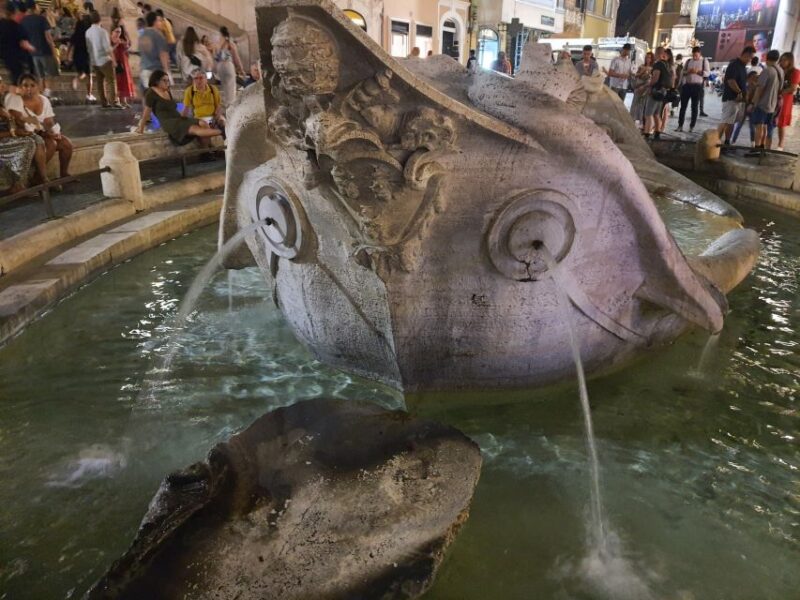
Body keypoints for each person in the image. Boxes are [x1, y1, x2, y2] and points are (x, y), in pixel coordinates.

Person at [136, 69, 223, 145]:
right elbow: (146, 112)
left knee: (203, 123)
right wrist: (141, 128)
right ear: (157, 81)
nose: (167, 83)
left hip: (178, 118)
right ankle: (223, 132)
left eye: (168, 80)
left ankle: (208, 148)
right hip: (169, 122)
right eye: (164, 80)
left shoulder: (167, 91)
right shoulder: (151, 93)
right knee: (196, 129)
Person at [12, 73, 72, 178]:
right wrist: (46, 134)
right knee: (51, 144)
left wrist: (55, 132)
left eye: (32, 85)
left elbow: (49, 121)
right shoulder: (16, 102)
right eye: (25, 85)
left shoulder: (44, 100)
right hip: (27, 135)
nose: (29, 89)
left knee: (66, 144)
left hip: (43, 133)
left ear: (37, 86)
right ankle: (38, 177)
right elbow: (23, 126)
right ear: (20, 87)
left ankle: (64, 174)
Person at [0, 76, 47, 193]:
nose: (3, 86)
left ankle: (43, 178)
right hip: (3, 139)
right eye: (0, 84)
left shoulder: (1, 103)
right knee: (28, 142)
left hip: (8, 136)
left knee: (37, 139)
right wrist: (13, 133)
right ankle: (18, 184)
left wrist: (20, 130)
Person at [718, 46, 755, 145]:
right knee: (725, 121)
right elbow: (731, 81)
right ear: (746, 55)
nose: (750, 60)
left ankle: (727, 142)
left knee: (731, 122)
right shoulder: (734, 65)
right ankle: (715, 141)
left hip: (738, 100)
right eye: (750, 58)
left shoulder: (742, 67)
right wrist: (739, 92)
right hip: (730, 98)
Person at [85, 10, 121, 109]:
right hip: (104, 60)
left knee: (100, 82)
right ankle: (114, 101)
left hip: (94, 60)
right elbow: (107, 48)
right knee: (111, 81)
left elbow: (88, 47)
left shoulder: (87, 32)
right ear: (99, 19)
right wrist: (114, 60)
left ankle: (104, 102)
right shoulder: (102, 32)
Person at [20, 4, 58, 97]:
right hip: (45, 51)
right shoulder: (41, 19)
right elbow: (48, 36)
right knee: (50, 74)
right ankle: (47, 95)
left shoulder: (23, 21)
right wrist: (53, 50)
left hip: (33, 53)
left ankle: (41, 95)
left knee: (40, 76)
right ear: (34, 8)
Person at [181, 67, 225, 148]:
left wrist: (217, 116)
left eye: (201, 78)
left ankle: (225, 146)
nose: (198, 80)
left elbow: (218, 105)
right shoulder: (190, 91)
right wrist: (181, 121)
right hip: (199, 118)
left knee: (224, 122)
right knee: (205, 128)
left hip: (213, 116)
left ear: (206, 79)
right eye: (196, 78)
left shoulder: (213, 89)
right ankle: (207, 150)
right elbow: (185, 109)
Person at [748, 49, 783, 151]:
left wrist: (753, 103)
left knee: (759, 126)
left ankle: (757, 148)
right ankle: (762, 147)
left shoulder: (767, 71)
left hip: (762, 104)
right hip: (773, 105)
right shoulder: (780, 71)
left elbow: (760, 89)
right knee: (765, 126)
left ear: (767, 59)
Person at [0, 4, 35, 93]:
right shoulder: (15, 26)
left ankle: (12, 94)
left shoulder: (4, 24)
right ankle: (16, 94)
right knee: (19, 79)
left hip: (8, 57)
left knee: (16, 79)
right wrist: (29, 47)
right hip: (17, 58)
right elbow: (23, 42)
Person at [676, 46, 709, 133]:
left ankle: (691, 126)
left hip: (697, 86)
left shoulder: (704, 61)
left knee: (694, 107)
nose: (694, 57)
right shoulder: (688, 61)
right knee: (683, 107)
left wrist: (697, 72)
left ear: (700, 54)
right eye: (693, 55)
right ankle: (680, 125)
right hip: (687, 86)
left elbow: (707, 73)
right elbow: (683, 72)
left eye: (696, 55)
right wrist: (688, 72)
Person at [137, 11, 169, 93]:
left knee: (148, 96)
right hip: (156, 71)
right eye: (159, 21)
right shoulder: (158, 35)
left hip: (144, 70)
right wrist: (166, 70)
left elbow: (140, 53)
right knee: (161, 96)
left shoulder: (141, 35)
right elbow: (163, 54)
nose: (161, 23)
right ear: (155, 22)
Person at [643, 46, 671, 140]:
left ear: (658, 53)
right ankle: (657, 133)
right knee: (657, 114)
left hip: (656, 91)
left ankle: (647, 134)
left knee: (648, 114)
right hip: (663, 92)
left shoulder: (658, 64)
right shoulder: (666, 64)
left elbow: (655, 78)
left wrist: (648, 86)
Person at [214, 26, 244, 109]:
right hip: (228, 65)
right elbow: (236, 57)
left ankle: (226, 104)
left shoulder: (217, 44)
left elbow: (215, 57)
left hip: (220, 66)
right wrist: (241, 69)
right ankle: (231, 106)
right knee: (231, 87)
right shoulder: (230, 43)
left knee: (225, 87)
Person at [775, 52, 800, 151]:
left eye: (785, 60)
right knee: (770, 120)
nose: (782, 62)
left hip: (785, 100)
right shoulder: (778, 70)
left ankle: (780, 144)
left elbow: (793, 88)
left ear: (790, 61)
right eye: (781, 59)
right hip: (774, 98)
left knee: (781, 122)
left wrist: (780, 93)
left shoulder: (795, 72)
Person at [69, 13, 93, 102]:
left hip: (76, 55)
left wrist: (68, 55)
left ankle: (77, 78)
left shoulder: (76, 34)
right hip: (86, 55)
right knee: (89, 75)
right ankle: (89, 94)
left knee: (81, 72)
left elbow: (71, 45)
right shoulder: (89, 33)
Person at [111, 23, 134, 107]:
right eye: (117, 31)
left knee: (124, 80)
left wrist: (126, 45)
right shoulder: (111, 39)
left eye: (120, 32)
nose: (118, 33)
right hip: (117, 61)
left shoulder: (121, 38)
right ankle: (117, 101)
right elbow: (110, 50)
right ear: (112, 31)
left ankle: (124, 101)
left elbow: (127, 46)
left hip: (124, 60)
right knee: (118, 81)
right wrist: (117, 44)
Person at [630, 51, 654, 128]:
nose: (647, 59)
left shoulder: (653, 68)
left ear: (652, 59)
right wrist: (640, 73)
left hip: (646, 87)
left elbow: (651, 79)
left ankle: (641, 121)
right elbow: (636, 75)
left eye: (649, 57)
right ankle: (632, 119)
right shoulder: (641, 66)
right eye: (646, 57)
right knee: (635, 103)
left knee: (642, 105)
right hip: (638, 86)